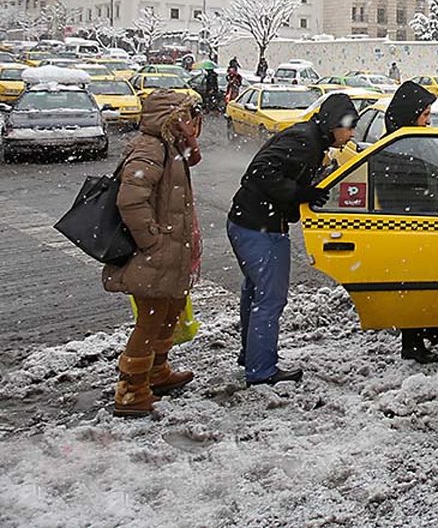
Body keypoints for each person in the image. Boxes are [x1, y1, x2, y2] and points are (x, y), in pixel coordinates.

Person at [227, 93, 359, 386]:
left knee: (255, 292)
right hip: (259, 226)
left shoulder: (310, 138)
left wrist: (310, 183)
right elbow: (259, 172)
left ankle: (252, 355)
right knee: (270, 299)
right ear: (331, 124)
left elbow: (279, 171)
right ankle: (261, 370)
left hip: (248, 221)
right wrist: (300, 193)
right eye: (348, 127)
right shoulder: (305, 140)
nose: (351, 135)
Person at [102, 90, 204, 418]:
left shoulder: (171, 146)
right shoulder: (150, 148)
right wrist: (152, 242)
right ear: (170, 119)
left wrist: (188, 139)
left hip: (170, 252)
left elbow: (192, 158)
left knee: (170, 311)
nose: (192, 122)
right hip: (155, 253)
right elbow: (130, 199)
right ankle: (131, 391)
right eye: (185, 116)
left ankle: (157, 372)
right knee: (149, 321)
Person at [382, 82, 438, 364]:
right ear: (411, 114)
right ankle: (413, 343)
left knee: (418, 285)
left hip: (415, 225)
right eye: (425, 115)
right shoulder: (402, 147)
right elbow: (409, 190)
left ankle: (420, 334)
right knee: (415, 286)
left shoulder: (404, 140)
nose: (428, 121)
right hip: (412, 227)